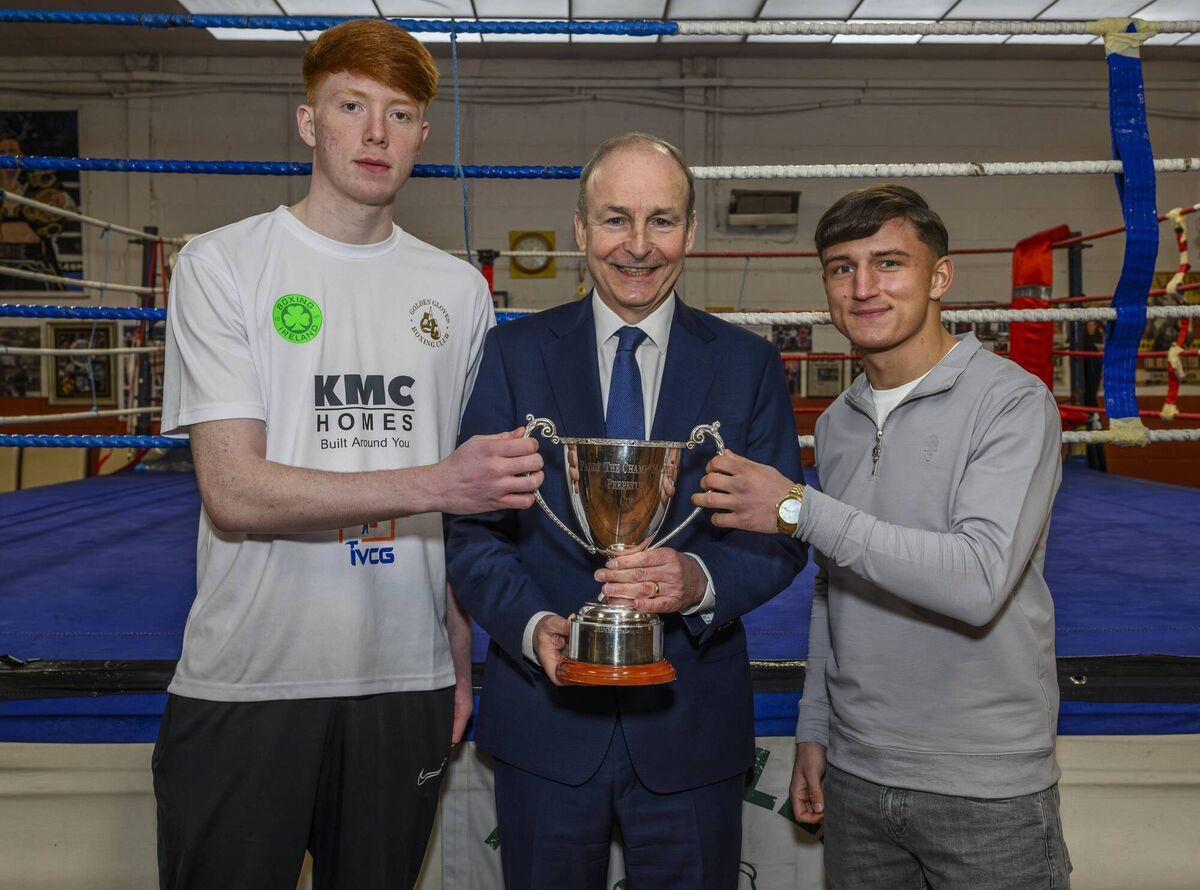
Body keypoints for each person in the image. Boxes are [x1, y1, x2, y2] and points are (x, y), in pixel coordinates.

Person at [156, 20, 544, 890]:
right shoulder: (223, 265)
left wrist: (455, 660)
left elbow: (465, 516)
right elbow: (235, 491)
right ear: (308, 122)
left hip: (404, 680)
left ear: (421, 135)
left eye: (398, 114)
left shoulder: (457, 292)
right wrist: (437, 482)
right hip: (249, 677)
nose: (375, 134)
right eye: (351, 107)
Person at [444, 132, 805, 890]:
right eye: (616, 219)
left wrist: (699, 581)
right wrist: (532, 627)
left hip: (690, 726)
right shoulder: (513, 356)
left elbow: (782, 532)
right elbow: (471, 529)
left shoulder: (747, 366)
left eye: (661, 220)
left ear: (690, 231)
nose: (638, 246)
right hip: (544, 722)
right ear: (581, 229)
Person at [693, 184, 1072, 889]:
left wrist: (798, 509)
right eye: (843, 268)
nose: (863, 287)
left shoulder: (1011, 402)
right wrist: (816, 727)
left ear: (939, 277)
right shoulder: (838, 422)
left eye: (889, 263)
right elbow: (834, 585)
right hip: (857, 774)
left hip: (983, 784)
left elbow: (977, 580)